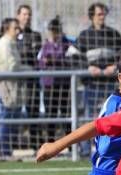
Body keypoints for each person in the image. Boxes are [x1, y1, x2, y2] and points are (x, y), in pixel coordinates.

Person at [76, 2, 121, 157]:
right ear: (92, 16)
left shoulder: (114, 35)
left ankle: (111, 149)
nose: (102, 17)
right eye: (99, 14)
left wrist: (115, 66)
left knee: (113, 117)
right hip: (91, 85)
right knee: (88, 117)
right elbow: (73, 56)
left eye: (104, 14)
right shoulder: (84, 36)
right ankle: (84, 150)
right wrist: (88, 67)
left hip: (110, 85)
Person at [0, 18, 32, 161]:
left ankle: (8, 151)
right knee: (6, 118)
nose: (18, 31)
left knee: (12, 118)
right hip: (5, 85)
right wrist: (28, 69)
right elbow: (11, 67)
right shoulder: (5, 43)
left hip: (12, 86)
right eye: (15, 28)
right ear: (7, 29)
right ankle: (4, 152)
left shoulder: (11, 43)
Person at [38, 16, 78, 144]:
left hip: (64, 84)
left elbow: (70, 60)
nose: (53, 34)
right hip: (49, 84)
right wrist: (52, 61)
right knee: (51, 114)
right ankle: (50, 143)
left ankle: (70, 145)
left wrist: (52, 61)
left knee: (67, 114)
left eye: (56, 31)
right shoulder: (45, 45)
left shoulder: (66, 44)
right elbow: (41, 62)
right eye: (51, 31)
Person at [15, 4, 43, 154]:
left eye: (28, 14)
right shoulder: (12, 34)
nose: (27, 17)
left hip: (32, 80)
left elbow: (34, 54)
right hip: (16, 82)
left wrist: (23, 53)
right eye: (24, 14)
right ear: (18, 16)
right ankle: (11, 146)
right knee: (14, 111)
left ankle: (34, 145)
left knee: (33, 111)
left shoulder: (35, 35)